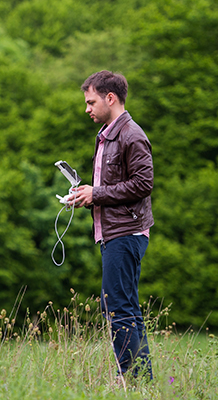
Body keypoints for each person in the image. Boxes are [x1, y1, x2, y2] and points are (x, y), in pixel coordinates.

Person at [70, 70, 154, 380]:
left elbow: (144, 183)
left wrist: (98, 193)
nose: (87, 109)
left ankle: (131, 377)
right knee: (122, 306)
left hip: (126, 233)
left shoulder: (132, 135)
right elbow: (113, 186)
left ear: (110, 98)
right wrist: (87, 196)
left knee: (118, 307)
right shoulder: (107, 134)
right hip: (112, 233)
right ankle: (138, 377)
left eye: (91, 102)